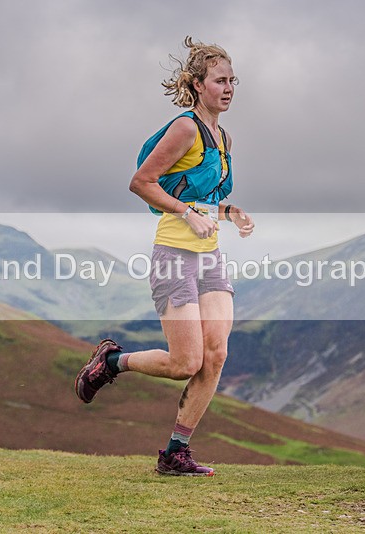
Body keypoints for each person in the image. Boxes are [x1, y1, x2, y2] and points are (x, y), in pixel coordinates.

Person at [75, 36, 254, 476]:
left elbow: (200, 196)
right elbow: (142, 182)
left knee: (215, 355)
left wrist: (230, 212)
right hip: (174, 255)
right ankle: (111, 362)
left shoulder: (223, 137)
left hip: (210, 257)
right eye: (220, 80)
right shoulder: (185, 129)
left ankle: (176, 452)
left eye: (233, 80)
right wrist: (186, 215)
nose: (228, 88)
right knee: (185, 362)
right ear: (197, 85)